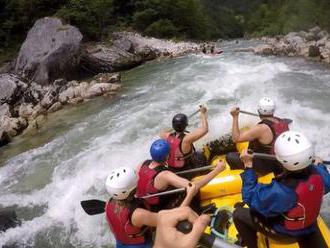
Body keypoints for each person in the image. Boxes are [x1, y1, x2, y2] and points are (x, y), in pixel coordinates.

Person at [233, 131, 330, 248]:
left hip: (286, 234)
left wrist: (248, 166)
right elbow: (325, 178)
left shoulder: (283, 191)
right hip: (309, 224)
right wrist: (319, 164)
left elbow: (249, 196)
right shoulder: (320, 174)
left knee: (238, 214)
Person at [104, 166, 198, 248]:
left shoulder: (108, 203)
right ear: (134, 188)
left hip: (120, 244)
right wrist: (189, 194)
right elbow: (172, 219)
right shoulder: (139, 214)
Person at [136, 139, 225, 212]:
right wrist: (217, 170)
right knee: (190, 190)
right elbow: (193, 186)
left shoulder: (141, 164)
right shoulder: (165, 175)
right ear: (167, 156)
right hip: (161, 209)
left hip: (145, 205)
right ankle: (197, 211)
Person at [226, 97, 289, 175]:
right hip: (278, 161)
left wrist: (235, 117)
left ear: (258, 111)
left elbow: (236, 139)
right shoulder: (282, 121)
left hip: (268, 165)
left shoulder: (262, 128)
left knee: (230, 157)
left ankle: (246, 175)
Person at [160, 106, 208, 172]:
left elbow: (162, 132)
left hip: (171, 169)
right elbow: (205, 129)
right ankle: (205, 172)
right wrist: (203, 113)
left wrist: (175, 126)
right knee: (200, 155)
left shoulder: (166, 136)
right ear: (186, 125)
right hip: (185, 170)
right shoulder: (186, 140)